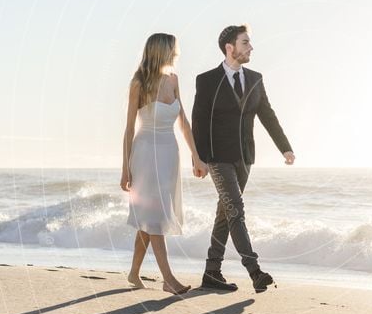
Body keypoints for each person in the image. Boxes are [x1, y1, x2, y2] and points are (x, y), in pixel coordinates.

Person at [192, 24, 295, 293]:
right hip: (217, 157)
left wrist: (284, 147)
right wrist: (198, 158)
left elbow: (267, 115)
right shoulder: (206, 80)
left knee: (226, 213)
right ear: (230, 47)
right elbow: (199, 122)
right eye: (245, 42)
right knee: (236, 210)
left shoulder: (255, 79)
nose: (250, 48)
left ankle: (211, 272)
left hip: (245, 157)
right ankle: (255, 271)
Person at [120, 33, 208, 294]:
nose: (177, 54)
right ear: (162, 51)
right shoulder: (139, 82)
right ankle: (168, 280)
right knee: (155, 218)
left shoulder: (173, 80)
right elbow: (128, 129)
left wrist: (196, 155)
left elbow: (183, 121)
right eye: (174, 50)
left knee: (151, 218)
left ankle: (134, 274)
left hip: (170, 154)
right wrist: (125, 168)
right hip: (146, 154)